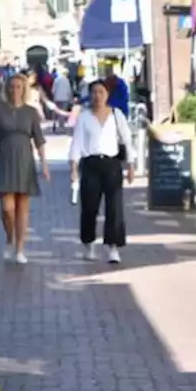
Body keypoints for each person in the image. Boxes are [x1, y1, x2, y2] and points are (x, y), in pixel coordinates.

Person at [0, 74, 49, 264]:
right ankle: (10, 237)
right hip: (4, 159)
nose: (15, 90)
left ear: (25, 89)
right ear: (7, 89)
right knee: (7, 208)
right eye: (12, 87)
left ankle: (20, 248)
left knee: (23, 206)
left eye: (19, 87)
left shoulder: (31, 112)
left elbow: (39, 139)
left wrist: (44, 163)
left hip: (25, 160)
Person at [70, 80, 134, 264]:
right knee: (90, 206)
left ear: (107, 95)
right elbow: (77, 142)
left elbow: (126, 140)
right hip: (91, 164)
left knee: (114, 207)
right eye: (94, 92)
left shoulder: (116, 115)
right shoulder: (84, 117)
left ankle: (112, 247)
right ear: (90, 95)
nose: (97, 96)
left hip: (111, 164)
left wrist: (130, 165)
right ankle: (88, 244)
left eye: (101, 92)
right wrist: (74, 167)